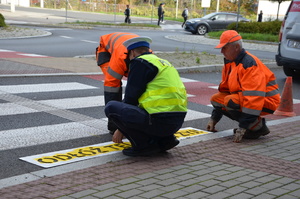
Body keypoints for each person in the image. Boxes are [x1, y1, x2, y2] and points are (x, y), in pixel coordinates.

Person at [105, 36, 187, 156]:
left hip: (159, 121)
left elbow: (130, 98)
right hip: (176, 122)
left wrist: (120, 129)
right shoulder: (164, 63)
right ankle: (165, 140)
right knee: (141, 108)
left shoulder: (140, 62)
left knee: (111, 107)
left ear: (132, 52)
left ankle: (142, 145)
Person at [206, 30, 280, 143]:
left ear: (236, 47)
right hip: (248, 99)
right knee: (216, 99)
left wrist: (242, 128)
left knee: (230, 101)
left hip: (267, 101)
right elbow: (225, 91)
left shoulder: (249, 64)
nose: (221, 51)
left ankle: (256, 128)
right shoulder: (230, 63)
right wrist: (213, 119)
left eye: (224, 48)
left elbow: (254, 99)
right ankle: (255, 125)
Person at [96, 32, 140, 134]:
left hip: (128, 48)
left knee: (136, 83)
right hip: (106, 51)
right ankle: (113, 125)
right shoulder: (121, 56)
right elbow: (111, 85)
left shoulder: (149, 57)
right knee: (113, 85)